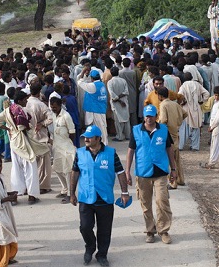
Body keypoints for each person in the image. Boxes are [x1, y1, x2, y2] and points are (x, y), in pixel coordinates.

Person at [70, 125, 130, 267]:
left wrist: (124, 192)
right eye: (85, 137)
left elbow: (120, 172)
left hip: (104, 198)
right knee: (85, 227)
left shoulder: (110, 153)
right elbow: (75, 172)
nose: (86, 139)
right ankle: (90, 247)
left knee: (104, 230)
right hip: (86, 197)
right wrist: (71, 193)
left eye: (90, 137)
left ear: (98, 139)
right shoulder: (80, 153)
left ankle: (102, 254)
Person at [124, 105, 178, 245]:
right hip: (143, 173)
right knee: (146, 204)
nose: (149, 118)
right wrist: (127, 171)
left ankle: (163, 230)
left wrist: (173, 168)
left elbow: (169, 149)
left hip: (160, 171)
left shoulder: (163, 130)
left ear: (156, 116)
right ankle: (150, 230)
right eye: (147, 116)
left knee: (162, 201)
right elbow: (130, 151)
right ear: (144, 116)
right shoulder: (136, 130)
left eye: (152, 116)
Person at [0, 91, 49, 205]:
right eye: (25, 100)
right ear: (20, 101)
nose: (26, 101)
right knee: (30, 168)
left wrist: (8, 129)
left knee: (16, 169)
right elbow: (28, 127)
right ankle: (32, 196)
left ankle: (16, 195)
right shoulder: (23, 111)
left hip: (14, 142)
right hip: (24, 142)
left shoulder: (7, 111)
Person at [155, 87, 187, 189]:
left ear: (160, 96)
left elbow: (163, 120)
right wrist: (177, 122)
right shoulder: (175, 104)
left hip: (167, 134)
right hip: (175, 132)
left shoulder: (163, 105)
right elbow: (185, 113)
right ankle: (180, 179)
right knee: (176, 158)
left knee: (169, 159)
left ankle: (173, 183)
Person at [25, 83, 54, 194]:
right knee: (44, 163)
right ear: (39, 93)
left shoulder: (26, 104)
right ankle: (43, 186)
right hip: (41, 136)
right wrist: (43, 124)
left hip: (30, 135)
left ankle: (33, 184)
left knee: (34, 162)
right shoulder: (41, 105)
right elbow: (51, 118)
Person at [49, 96, 76, 203]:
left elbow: (72, 132)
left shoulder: (66, 116)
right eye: (51, 107)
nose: (53, 109)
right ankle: (64, 189)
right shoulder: (53, 115)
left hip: (66, 148)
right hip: (56, 147)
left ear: (60, 106)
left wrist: (69, 144)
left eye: (55, 107)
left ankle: (70, 193)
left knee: (67, 171)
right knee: (57, 168)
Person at [178, 72, 209, 152]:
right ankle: (195, 146)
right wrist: (202, 101)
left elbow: (179, 96)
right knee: (196, 128)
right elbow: (206, 93)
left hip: (186, 108)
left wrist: (182, 102)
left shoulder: (183, 86)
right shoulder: (197, 84)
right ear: (192, 77)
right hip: (196, 108)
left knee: (184, 128)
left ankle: (180, 146)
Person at [78, 69, 109, 145]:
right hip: (101, 109)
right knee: (102, 127)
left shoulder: (92, 86)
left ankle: (103, 144)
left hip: (95, 111)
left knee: (99, 129)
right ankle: (101, 143)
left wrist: (83, 72)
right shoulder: (102, 85)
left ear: (92, 78)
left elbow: (79, 82)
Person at [106, 67, 130, 142]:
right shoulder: (123, 81)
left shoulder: (110, 82)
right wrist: (121, 100)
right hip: (124, 102)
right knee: (126, 119)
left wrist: (118, 100)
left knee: (118, 121)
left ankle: (120, 136)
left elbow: (112, 94)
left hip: (116, 103)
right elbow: (126, 92)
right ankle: (128, 135)